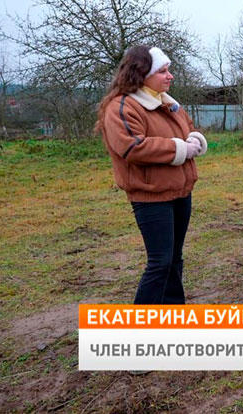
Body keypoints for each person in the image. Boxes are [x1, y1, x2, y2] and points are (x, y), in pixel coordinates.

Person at [97, 45, 208, 304]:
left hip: (180, 192)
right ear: (142, 74)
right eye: (163, 71)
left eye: (169, 70)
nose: (170, 76)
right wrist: (180, 148)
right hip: (151, 196)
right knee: (160, 262)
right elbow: (132, 146)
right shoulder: (122, 106)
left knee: (174, 259)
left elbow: (188, 127)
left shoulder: (168, 102)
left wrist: (194, 138)